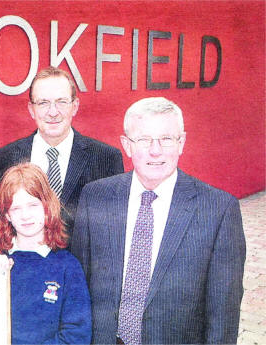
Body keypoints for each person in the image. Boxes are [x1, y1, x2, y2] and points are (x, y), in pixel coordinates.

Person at [70, 97, 246, 344]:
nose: (155, 150)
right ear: (127, 145)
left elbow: (223, 314)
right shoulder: (95, 196)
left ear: (181, 142)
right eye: (143, 139)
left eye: (166, 139)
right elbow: (78, 288)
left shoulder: (218, 210)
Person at [0, 66, 124, 229]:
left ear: (74, 106)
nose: (53, 112)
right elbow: (4, 224)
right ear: (31, 110)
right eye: (43, 103)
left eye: (61, 102)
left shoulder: (106, 158)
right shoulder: (5, 158)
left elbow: (112, 228)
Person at [0, 163, 91, 344]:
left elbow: (76, 334)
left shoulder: (68, 266)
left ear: (47, 206)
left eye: (33, 205)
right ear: (7, 215)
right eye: (16, 209)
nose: (25, 216)